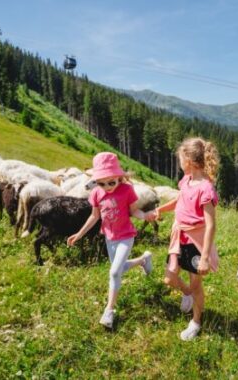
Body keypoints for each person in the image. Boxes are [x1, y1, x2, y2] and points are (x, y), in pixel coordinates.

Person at [67, 152, 154, 328]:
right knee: (119, 269)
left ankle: (109, 311)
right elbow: (94, 216)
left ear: (119, 177)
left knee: (114, 273)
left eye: (111, 182)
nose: (107, 187)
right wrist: (79, 234)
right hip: (109, 237)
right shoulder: (96, 194)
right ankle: (143, 260)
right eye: (101, 183)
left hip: (126, 236)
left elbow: (134, 211)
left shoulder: (127, 190)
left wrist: (145, 215)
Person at [150, 137, 219, 340]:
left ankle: (196, 321)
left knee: (196, 285)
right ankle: (187, 293)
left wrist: (205, 257)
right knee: (169, 277)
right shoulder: (186, 181)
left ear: (188, 160)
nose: (179, 162)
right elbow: (180, 199)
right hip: (178, 237)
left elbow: (211, 224)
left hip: (195, 243)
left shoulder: (205, 188)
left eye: (180, 158)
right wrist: (161, 209)